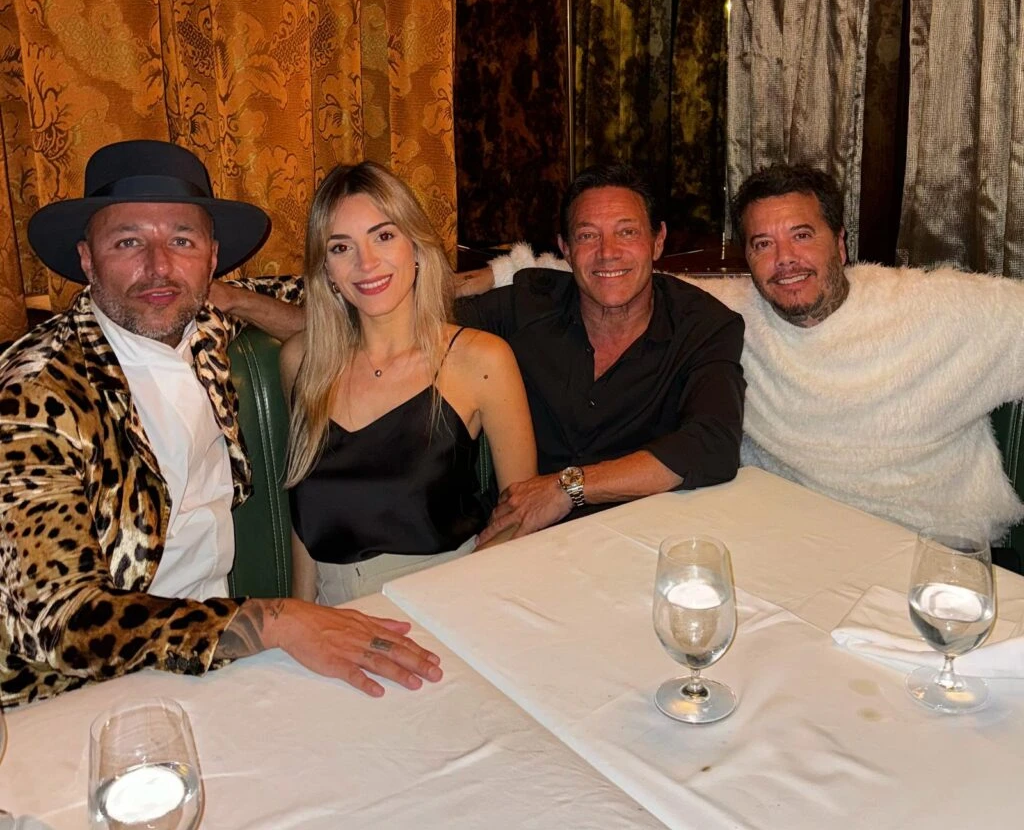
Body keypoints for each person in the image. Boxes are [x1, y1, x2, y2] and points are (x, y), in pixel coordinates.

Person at [0, 140, 442, 709]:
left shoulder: (201, 322)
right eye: (128, 242)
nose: (159, 267)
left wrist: (491, 280)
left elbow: (340, 299)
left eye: (182, 241)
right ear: (87, 260)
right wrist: (275, 620)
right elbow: (59, 620)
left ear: (212, 259)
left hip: (224, 664)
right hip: (79, 692)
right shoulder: (33, 394)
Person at [691, 163, 1024, 539]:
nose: (784, 258)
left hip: (932, 542)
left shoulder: (936, 309)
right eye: (763, 244)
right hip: (787, 535)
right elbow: (648, 290)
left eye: (802, 235)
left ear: (839, 245)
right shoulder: (731, 317)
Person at [281, 162, 536, 604]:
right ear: (326, 270)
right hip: (333, 610)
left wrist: (443, 604)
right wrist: (300, 615)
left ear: (416, 246)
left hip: (446, 600)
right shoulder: (302, 361)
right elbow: (304, 520)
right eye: (341, 247)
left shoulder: (482, 360)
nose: (366, 263)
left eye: (383, 236)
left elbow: (521, 516)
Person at [457, 163, 746, 547]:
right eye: (587, 235)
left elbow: (712, 443)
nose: (608, 253)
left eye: (627, 232)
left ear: (657, 241)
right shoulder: (527, 305)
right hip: (517, 538)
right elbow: (425, 327)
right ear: (566, 249)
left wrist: (568, 488)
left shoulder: (703, 325)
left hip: (640, 541)